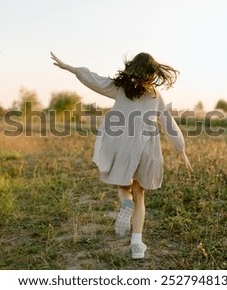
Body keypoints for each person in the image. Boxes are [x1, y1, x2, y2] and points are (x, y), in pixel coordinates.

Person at [50, 51, 192, 259]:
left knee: (124, 188)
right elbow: (169, 124)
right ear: (152, 73)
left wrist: (69, 68)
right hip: (146, 147)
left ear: (132, 68)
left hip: (123, 144)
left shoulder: (119, 88)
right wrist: (182, 150)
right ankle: (137, 244)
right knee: (140, 195)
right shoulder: (155, 96)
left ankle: (125, 203)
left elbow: (94, 79)